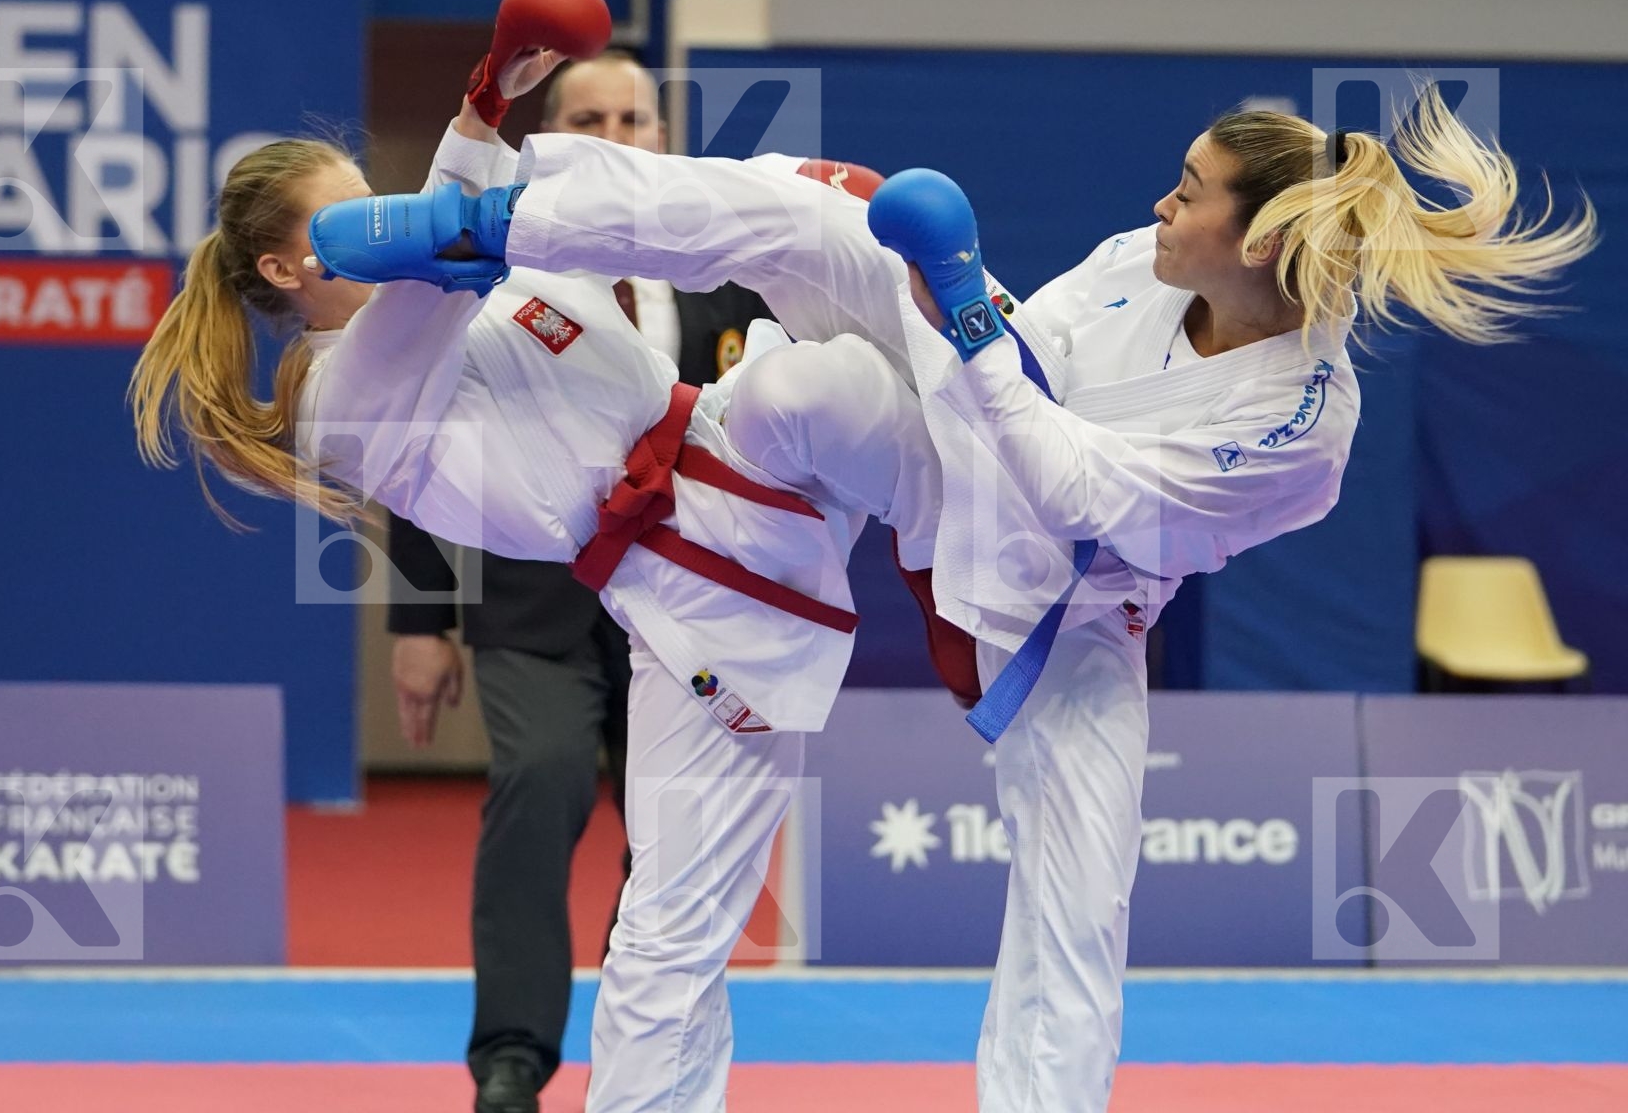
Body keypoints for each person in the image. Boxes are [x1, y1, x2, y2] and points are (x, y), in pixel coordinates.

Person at [433, 82, 1594, 1112]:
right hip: (963, 453)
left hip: (1068, 609)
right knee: (822, 214)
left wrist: (961, 308)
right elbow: (1021, 354)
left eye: (1190, 196)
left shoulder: (1300, 426)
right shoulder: (1142, 261)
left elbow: (1079, 488)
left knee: (1079, 903)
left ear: (1256, 245)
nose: (1161, 210)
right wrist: (953, 311)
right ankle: (502, 221)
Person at [130, 45, 942, 1112]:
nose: (379, 225)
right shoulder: (345, 399)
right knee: (671, 935)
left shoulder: (466, 280)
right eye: (343, 225)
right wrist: (479, 121)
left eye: (374, 205)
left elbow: (473, 226)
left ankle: (1012, 432)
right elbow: (436, 265)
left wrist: (487, 96)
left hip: (742, 460)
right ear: (288, 271)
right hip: (704, 596)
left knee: (809, 320)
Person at [382, 48, 770, 1113]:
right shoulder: (499, 268)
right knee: (541, 782)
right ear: (549, 143)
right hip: (536, 600)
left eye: (633, 117)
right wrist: (418, 618)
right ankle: (511, 1056)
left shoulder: (725, 274)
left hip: (686, 610)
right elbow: (420, 425)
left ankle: (638, 1047)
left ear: (661, 137)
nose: (612, 134)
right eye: (586, 115)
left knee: (674, 834)